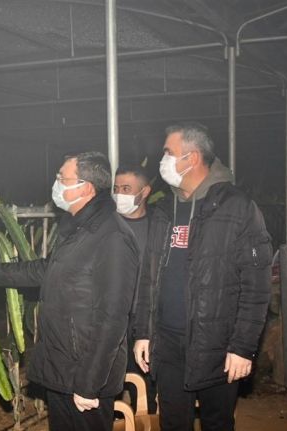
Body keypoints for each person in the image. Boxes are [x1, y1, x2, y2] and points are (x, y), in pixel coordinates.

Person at [0, 151, 139, 431]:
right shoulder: (79, 227)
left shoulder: (112, 237)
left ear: (85, 188)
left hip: (85, 372)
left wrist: (89, 384)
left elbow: (112, 318)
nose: (56, 184)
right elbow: (48, 269)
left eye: (62, 178)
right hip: (64, 365)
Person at [132, 123, 273, 431]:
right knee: (173, 423)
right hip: (167, 342)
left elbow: (257, 285)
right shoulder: (164, 210)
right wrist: (144, 331)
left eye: (168, 152)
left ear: (192, 158)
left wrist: (243, 346)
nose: (162, 160)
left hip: (217, 343)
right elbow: (148, 277)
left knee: (217, 423)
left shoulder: (236, 207)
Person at [112, 164, 157, 412]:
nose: (119, 194)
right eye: (116, 188)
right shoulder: (107, 226)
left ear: (145, 191)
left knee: (145, 385)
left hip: (147, 320)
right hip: (113, 318)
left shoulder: (160, 227)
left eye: (126, 189)